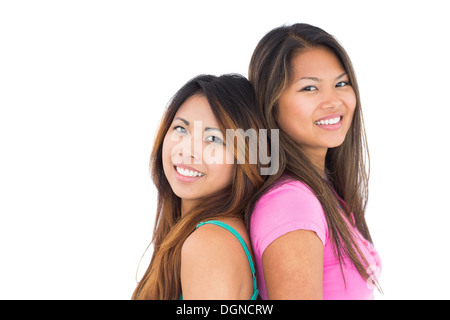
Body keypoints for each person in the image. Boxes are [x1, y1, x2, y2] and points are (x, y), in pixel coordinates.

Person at [247, 23, 382, 299]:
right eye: (310, 88)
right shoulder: (290, 203)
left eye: (341, 84)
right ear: (272, 105)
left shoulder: (322, 190)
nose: (333, 101)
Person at [132, 74, 264, 300]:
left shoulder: (210, 244)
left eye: (213, 139)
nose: (187, 150)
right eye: (181, 129)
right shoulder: (206, 235)